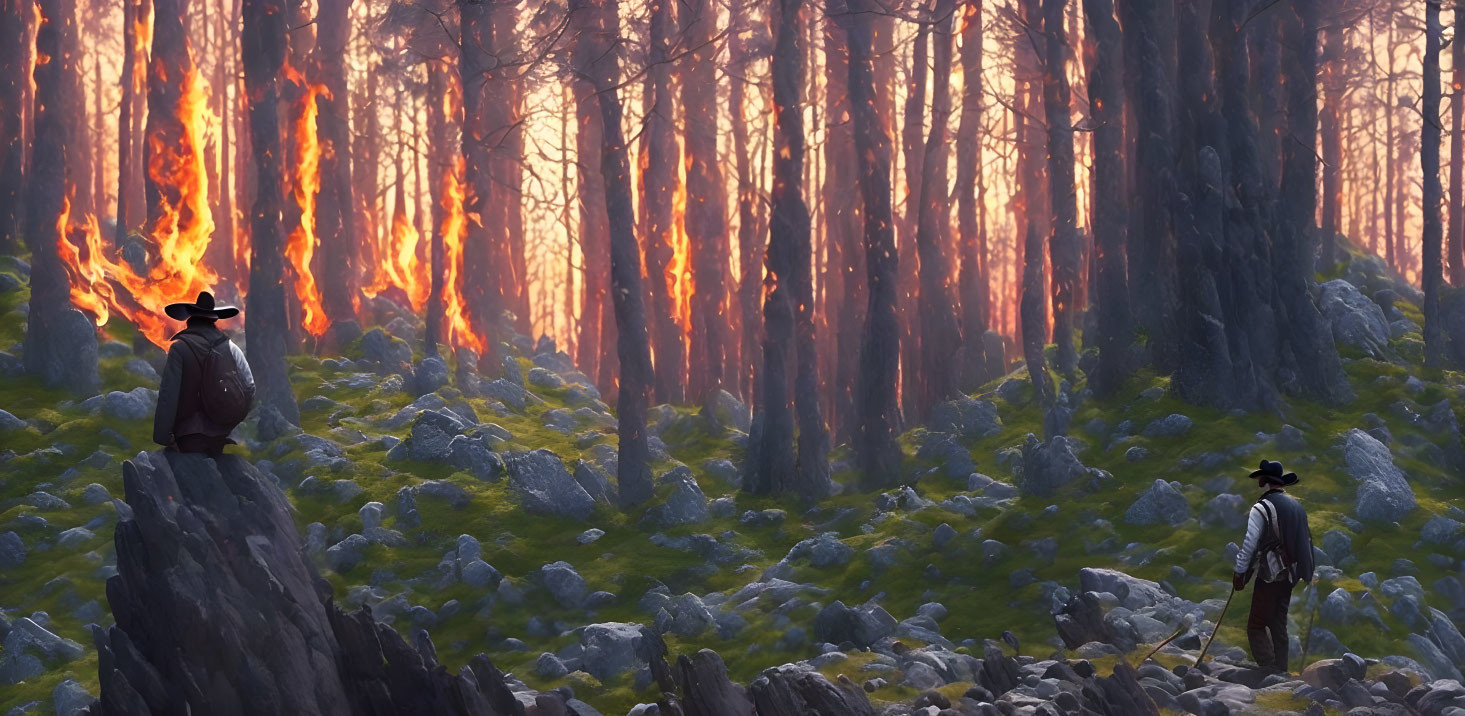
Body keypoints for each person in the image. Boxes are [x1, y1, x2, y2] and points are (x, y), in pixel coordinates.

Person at [1232, 459, 1315, 674]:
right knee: (1279, 626)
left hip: (1270, 574)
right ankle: (1282, 671)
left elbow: (1250, 544)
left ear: (1264, 481)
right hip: (1291, 576)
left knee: (1256, 625)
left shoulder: (1261, 508)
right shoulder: (1297, 507)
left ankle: (1270, 671)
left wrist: (1240, 572)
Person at [152, 291, 255, 457]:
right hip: (220, 434)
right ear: (213, 321)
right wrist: (229, 421)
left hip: (187, 435)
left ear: (190, 320)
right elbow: (249, 387)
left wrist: (162, 436)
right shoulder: (230, 347)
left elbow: (168, 395)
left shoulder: (179, 349)